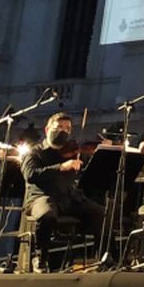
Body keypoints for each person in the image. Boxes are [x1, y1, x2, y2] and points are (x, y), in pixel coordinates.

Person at [21, 112, 105, 271]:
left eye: (67, 128)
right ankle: (40, 257)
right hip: (42, 197)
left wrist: (104, 149)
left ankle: (101, 258)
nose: (64, 131)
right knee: (47, 215)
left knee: (100, 212)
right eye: (59, 127)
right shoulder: (34, 152)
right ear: (47, 129)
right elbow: (30, 175)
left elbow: (90, 172)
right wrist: (60, 167)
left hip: (68, 198)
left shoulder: (73, 151)